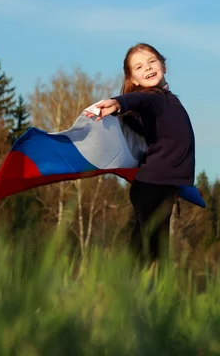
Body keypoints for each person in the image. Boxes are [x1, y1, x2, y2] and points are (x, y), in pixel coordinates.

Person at [84, 43, 196, 265]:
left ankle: (147, 294)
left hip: (162, 187)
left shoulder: (169, 100)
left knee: (156, 250)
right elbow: (138, 100)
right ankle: (123, 288)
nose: (148, 68)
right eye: (139, 67)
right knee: (145, 247)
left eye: (152, 61)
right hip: (151, 187)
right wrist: (118, 103)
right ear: (133, 79)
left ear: (163, 64)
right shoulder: (154, 98)